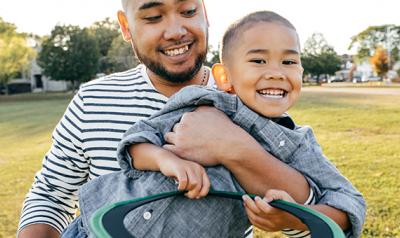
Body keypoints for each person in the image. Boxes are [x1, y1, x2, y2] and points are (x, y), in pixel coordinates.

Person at [15, 0, 359, 237]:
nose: (176, 29)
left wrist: (234, 149)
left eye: (188, 10)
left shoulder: (255, 101)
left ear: (205, 12)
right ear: (125, 25)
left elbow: (313, 216)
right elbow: (50, 195)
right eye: (153, 17)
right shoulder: (93, 100)